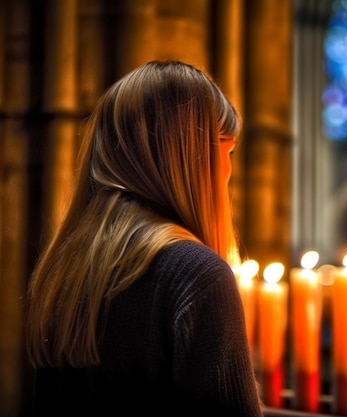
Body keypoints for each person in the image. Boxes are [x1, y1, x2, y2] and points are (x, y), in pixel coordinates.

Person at [24, 60, 263, 416]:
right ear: (191, 158)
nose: (228, 169)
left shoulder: (66, 270)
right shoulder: (197, 274)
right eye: (227, 150)